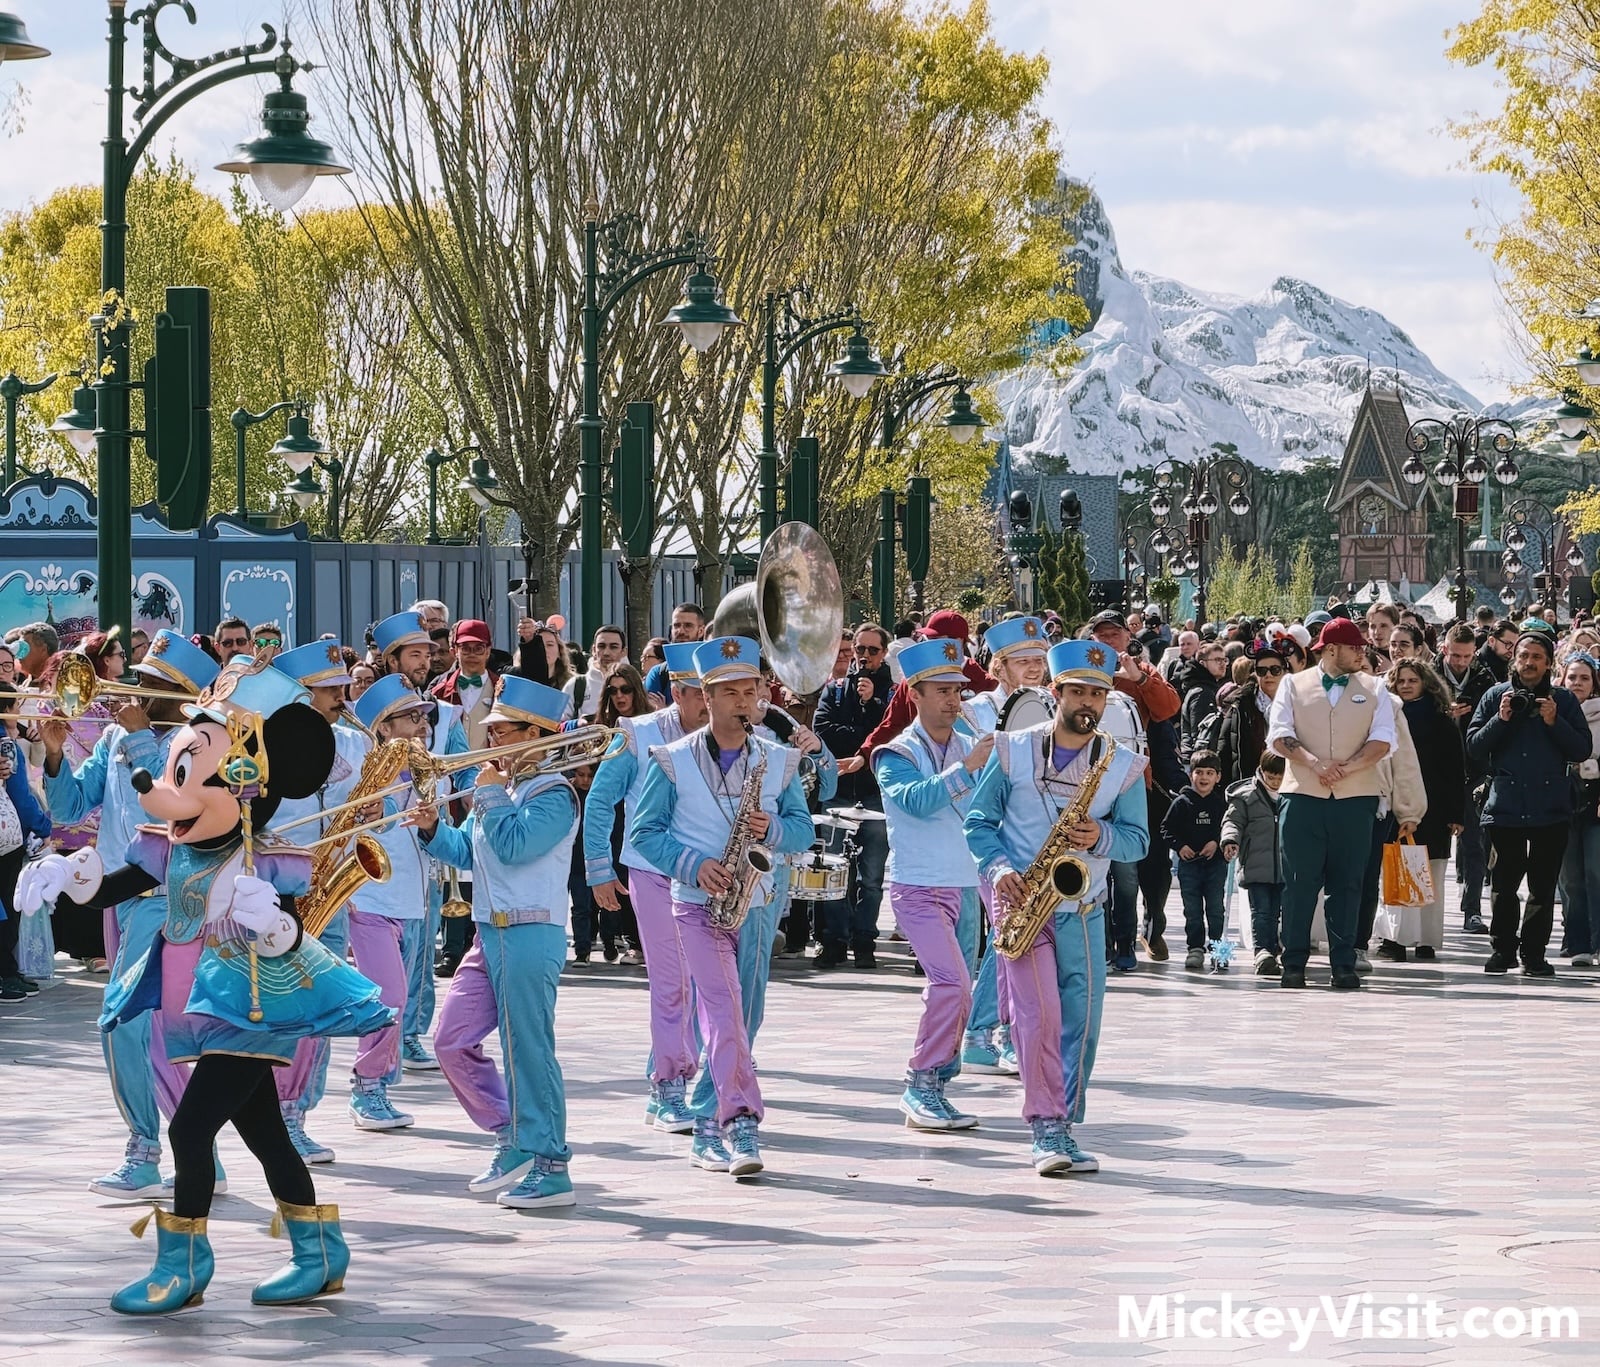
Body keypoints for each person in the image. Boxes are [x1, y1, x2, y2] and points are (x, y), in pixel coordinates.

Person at [17, 656, 392, 1314]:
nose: (167, 791)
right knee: (266, 1134)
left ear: (246, 785)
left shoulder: (266, 856)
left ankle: (183, 1263)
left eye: (189, 777)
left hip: (250, 1010)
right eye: (173, 772)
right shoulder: (173, 847)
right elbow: (112, 887)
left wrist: (273, 924)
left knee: (189, 1133)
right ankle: (319, 1248)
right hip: (202, 1011)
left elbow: (297, 931)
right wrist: (65, 876)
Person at [963, 639, 1150, 1176]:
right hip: (1022, 902)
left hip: (1083, 906)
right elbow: (978, 823)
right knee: (1039, 1016)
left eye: (1098, 692)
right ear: (1056, 692)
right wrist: (998, 870)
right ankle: (1046, 1127)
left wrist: (1101, 836)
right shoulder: (1012, 748)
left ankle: (1065, 1123)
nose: (1088, 701)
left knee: (1082, 1023)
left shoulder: (1123, 765)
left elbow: (1138, 840)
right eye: (1078, 691)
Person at [630, 637, 815, 1178]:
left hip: (757, 903)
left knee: (744, 1016)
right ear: (704, 697)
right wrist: (693, 866)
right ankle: (730, 1124)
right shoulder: (669, 759)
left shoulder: (777, 760)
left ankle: (712, 1114)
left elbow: (802, 828)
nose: (741, 701)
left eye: (750, 691)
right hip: (696, 904)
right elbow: (645, 832)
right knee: (722, 1013)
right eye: (729, 692)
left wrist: (774, 829)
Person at [38, 631, 215, 1192]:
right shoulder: (115, 734)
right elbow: (70, 808)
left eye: (151, 681)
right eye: (138, 675)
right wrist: (53, 751)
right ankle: (198, 1154)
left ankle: (144, 1149)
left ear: (180, 693)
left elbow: (177, 807)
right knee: (150, 1032)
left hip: (167, 899)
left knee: (121, 1021)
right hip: (118, 900)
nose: (134, 687)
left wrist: (141, 741)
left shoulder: (199, 741)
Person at [414, 675, 582, 1209]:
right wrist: (429, 829)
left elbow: (512, 847)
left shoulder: (556, 794)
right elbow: (469, 854)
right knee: (450, 1040)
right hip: (491, 933)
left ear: (534, 735)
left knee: (528, 1050)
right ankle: (513, 1134)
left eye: (503, 732)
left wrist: (484, 791)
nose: (491, 744)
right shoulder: (504, 790)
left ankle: (551, 1163)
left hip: (532, 931)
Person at [265, 639, 381, 1162]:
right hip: (278, 888)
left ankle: (298, 1116)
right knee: (281, 1007)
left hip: (329, 883)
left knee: (321, 1010)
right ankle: (272, 1110)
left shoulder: (353, 741)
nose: (342, 697)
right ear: (299, 697)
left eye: (341, 687)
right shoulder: (265, 742)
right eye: (330, 690)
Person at [871, 639, 993, 1130]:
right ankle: (918, 1082)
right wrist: (968, 770)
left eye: (957, 691)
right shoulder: (894, 752)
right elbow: (916, 802)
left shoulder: (969, 743)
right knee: (952, 984)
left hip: (965, 886)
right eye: (941, 690)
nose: (952, 700)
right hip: (918, 886)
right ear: (914, 693)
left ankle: (938, 1086)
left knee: (959, 990)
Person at [584, 642, 704, 1132]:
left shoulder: (731, 733)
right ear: (678, 690)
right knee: (672, 981)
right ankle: (667, 1087)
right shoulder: (637, 732)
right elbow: (599, 801)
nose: (716, 702)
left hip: (708, 875)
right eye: (703, 692)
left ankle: (669, 1066)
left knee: (700, 982)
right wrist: (598, 869)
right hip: (652, 873)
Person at [1268, 617, 1396, 990]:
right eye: (1355, 647)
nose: (1362, 652)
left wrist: (1347, 767)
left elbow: (1384, 738)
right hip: (1302, 795)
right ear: (1332, 649)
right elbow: (1279, 734)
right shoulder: (1293, 684)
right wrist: (1314, 763)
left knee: (1349, 882)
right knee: (1298, 883)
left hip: (1355, 798)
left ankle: (1344, 963)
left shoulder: (1375, 688)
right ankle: (1293, 962)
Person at [342, 677, 439, 1132]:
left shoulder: (422, 768)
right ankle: (367, 1086)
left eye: (423, 716)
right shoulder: (364, 771)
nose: (422, 725)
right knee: (389, 998)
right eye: (411, 717)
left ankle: (380, 1081)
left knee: (399, 998)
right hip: (371, 897)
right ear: (383, 727)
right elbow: (356, 828)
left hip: (412, 900)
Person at [1467, 630, 1593, 975]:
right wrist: (1501, 719)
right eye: (1524, 656)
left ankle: (1534, 954)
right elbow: (1474, 746)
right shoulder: (1496, 696)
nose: (1529, 663)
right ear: (1514, 658)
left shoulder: (1563, 701)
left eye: (1537, 657)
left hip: (1550, 806)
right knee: (1504, 886)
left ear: (1549, 663)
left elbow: (1582, 748)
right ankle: (1502, 950)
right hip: (1504, 806)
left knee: (1542, 886)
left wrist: (1555, 722)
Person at [813, 622, 893, 968]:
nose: (863, 657)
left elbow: (890, 733)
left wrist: (871, 703)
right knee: (834, 870)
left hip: (876, 795)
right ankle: (834, 941)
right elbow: (823, 732)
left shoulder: (893, 693)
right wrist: (861, 738)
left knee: (872, 875)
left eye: (871, 651)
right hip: (839, 793)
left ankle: (864, 941)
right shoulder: (833, 690)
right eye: (859, 650)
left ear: (884, 654)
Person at [1374, 659, 1464, 963]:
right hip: (1394, 803)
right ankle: (1394, 938)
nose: (1407, 685)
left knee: (1431, 872)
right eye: (1401, 681)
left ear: (1425, 683)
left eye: (1413, 680)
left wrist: (1456, 813)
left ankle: (1426, 939)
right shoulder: (1386, 718)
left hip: (1434, 807)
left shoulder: (1441, 720)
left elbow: (1455, 768)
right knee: (1395, 870)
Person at [1436, 622, 1497, 933]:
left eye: (1466, 656)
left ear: (1474, 654)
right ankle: (1425, 914)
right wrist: (1442, 714)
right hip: (1437, 771)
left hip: (1474, 770)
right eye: (1455, 655)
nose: (1460, 662)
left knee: (1475, 842)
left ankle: (1472, 909)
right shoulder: (1429, 675)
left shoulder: (1485, 680)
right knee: (1431, 844)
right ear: (1445, 649)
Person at [1221, 750, 1287, 975]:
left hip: (1284, 867)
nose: (1275, 783)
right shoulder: (1246, 796)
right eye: (1271, 778)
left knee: (1277, 911)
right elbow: (1232, 821)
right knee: (1260, 910)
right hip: (1255, 864)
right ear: (1262, 772)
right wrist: (1230, 839)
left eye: (1279, 778)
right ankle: (1262, 951)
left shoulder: (1292, 794)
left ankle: (1274, 948)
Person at [1162, 749, 1228, 970]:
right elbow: (1166, 829)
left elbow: (1230, 828)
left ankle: (1219, 949)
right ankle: (1195, 948)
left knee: (1216, 909)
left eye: (1210, 773)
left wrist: (1216, 843)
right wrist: (1180, 846)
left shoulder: (1221, 804)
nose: (1204, 778)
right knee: (1192, 910)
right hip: (1189, 867)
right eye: (1199, 772)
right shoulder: (1181, 802)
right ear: (1191, 774)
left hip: (1215, 865)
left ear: (1218, 777)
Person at [1558, 654, 1600, 965]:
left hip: (1595, 802)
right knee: (1569, 877)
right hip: (1561, 802)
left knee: (1595, 872)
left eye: (1584, 678)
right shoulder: (1552, 712)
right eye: (1572, 677)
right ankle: (1577, 941)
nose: (1577, 684)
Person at [1216, 638, 1286, 788]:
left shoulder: (1296, 702)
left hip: (1289, 783)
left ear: (1284, 671)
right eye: (1262, 670)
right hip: (1250, 787)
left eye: (1275, 670)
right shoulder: (1240, 705)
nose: (1268, 675)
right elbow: (1225, 750)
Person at [430, 619, 499, 749]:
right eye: (465, 648)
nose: (472, 655)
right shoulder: (437, 693)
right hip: (449, 769)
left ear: (488, 651)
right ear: (454, 651)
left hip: (493, 768)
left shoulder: (503, 691)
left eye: (479, 648)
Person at [642, 603, 707, 702]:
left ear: (701, 630)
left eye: (688, 626)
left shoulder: (711, 667)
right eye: (676, 626)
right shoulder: (658, 673)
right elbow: (652, 710)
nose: (681, 631)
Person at [567, 625, 626, 721]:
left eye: (613, 647)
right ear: (594, 650)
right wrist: (577, 724)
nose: (606, 652)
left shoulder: (636, 684)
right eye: (601, 646)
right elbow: (559, 726)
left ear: (623, 651)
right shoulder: (575, 685)